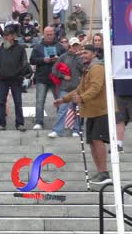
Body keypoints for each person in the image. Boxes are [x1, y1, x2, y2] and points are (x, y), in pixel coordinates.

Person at [54, 45, 111, 184]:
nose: (82, 55)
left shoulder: (97, 68)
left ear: (94, 54)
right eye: (82, 53)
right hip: (91, 111)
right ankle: (100, 172)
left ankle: (104, 173)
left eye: (86, 53)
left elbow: (95, 88)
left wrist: (82, 98)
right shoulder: (88, 69)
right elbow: (79, 89)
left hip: (100, 110)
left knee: (97, 141)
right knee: (92, 142)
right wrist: (64, 99)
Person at [0, 25, 28, 132]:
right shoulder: (0, 49)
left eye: (7, 35)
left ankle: (20, 123)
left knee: (18, 102)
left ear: (13, 36)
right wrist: (0, 71)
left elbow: (24, 63)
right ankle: (1, 123)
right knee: (1, 102)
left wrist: (17, 73)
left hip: (16, 80)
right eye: (4, 35)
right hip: (3, 80)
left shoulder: (20, 49)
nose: (5, 37)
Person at [30, 26, 66, 130]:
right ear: (44, 35)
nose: (49, 36)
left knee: (59, 101)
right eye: (47, 34)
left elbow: (65, 59)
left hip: (56, 78)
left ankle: (61, 123)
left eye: (51, 34)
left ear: (54, 34)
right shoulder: (38, 47)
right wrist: (43, 60)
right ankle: (39, 122)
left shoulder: (60, 46)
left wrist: (59, 59)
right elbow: (32, 60)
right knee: (40, 101)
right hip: (42, 78)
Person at [48, 37, 83, 138]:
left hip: (78, 87)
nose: (75, 48)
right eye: (73, 46)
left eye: (77, 45)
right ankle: (57, 130)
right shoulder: (63, 57)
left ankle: (77, 129)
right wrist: (63, 76)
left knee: (78, 109)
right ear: (70, 46)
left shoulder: (81, 57)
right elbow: (54, 70)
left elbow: (84, 69)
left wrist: (78, 57)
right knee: (62, 109)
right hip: (65, 88)